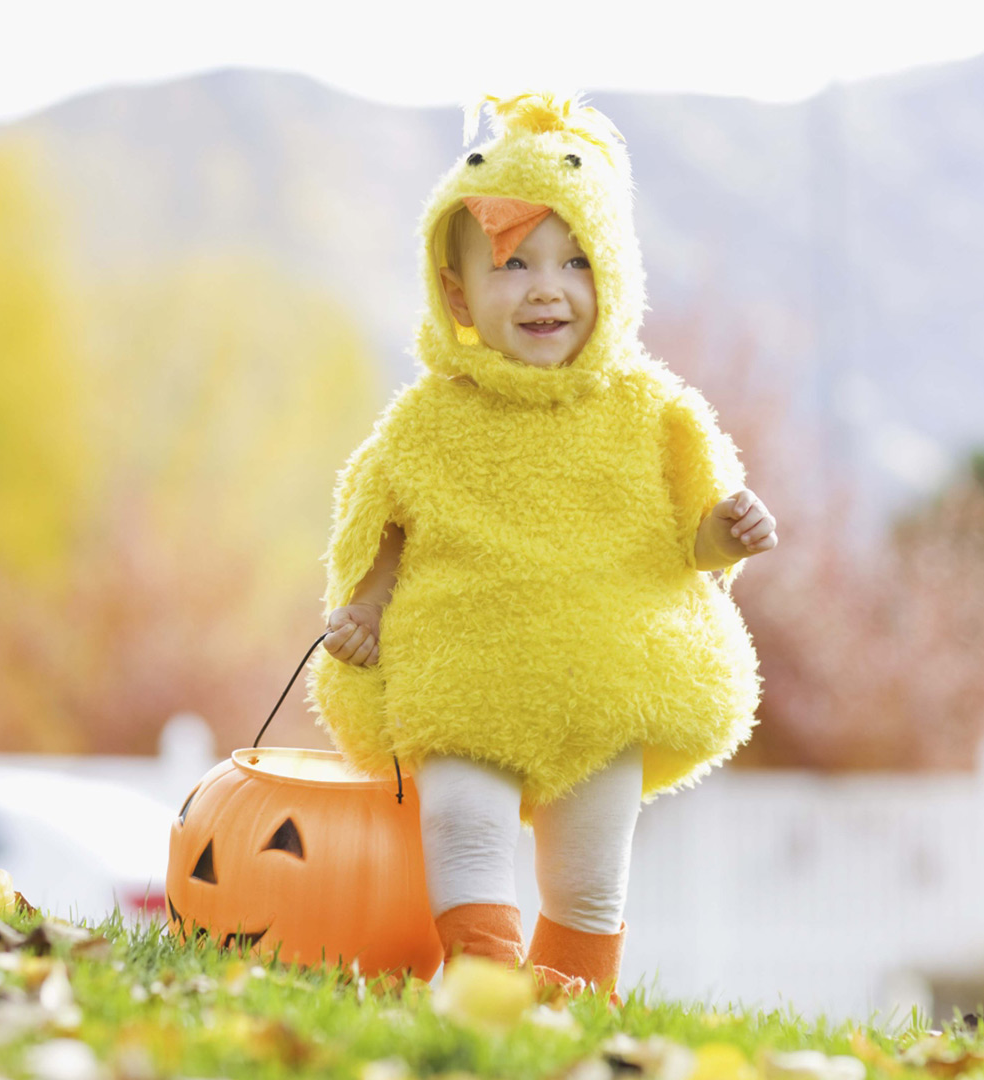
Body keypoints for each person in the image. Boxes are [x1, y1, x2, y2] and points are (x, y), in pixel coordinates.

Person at [305, 90, 776, 1001]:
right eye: (514, 264)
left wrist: (727, 531)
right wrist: (363, 609)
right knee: (463, 827)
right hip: (469, 672)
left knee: (589, 870)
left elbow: (695, 534)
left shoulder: (650, 409)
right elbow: (386, 527)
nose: (547, 289)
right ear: (458, 291)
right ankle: (483, 990)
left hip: (608, 676)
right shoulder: (430, 420)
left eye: (576, 262)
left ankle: (573, 1003)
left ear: (615, 278)